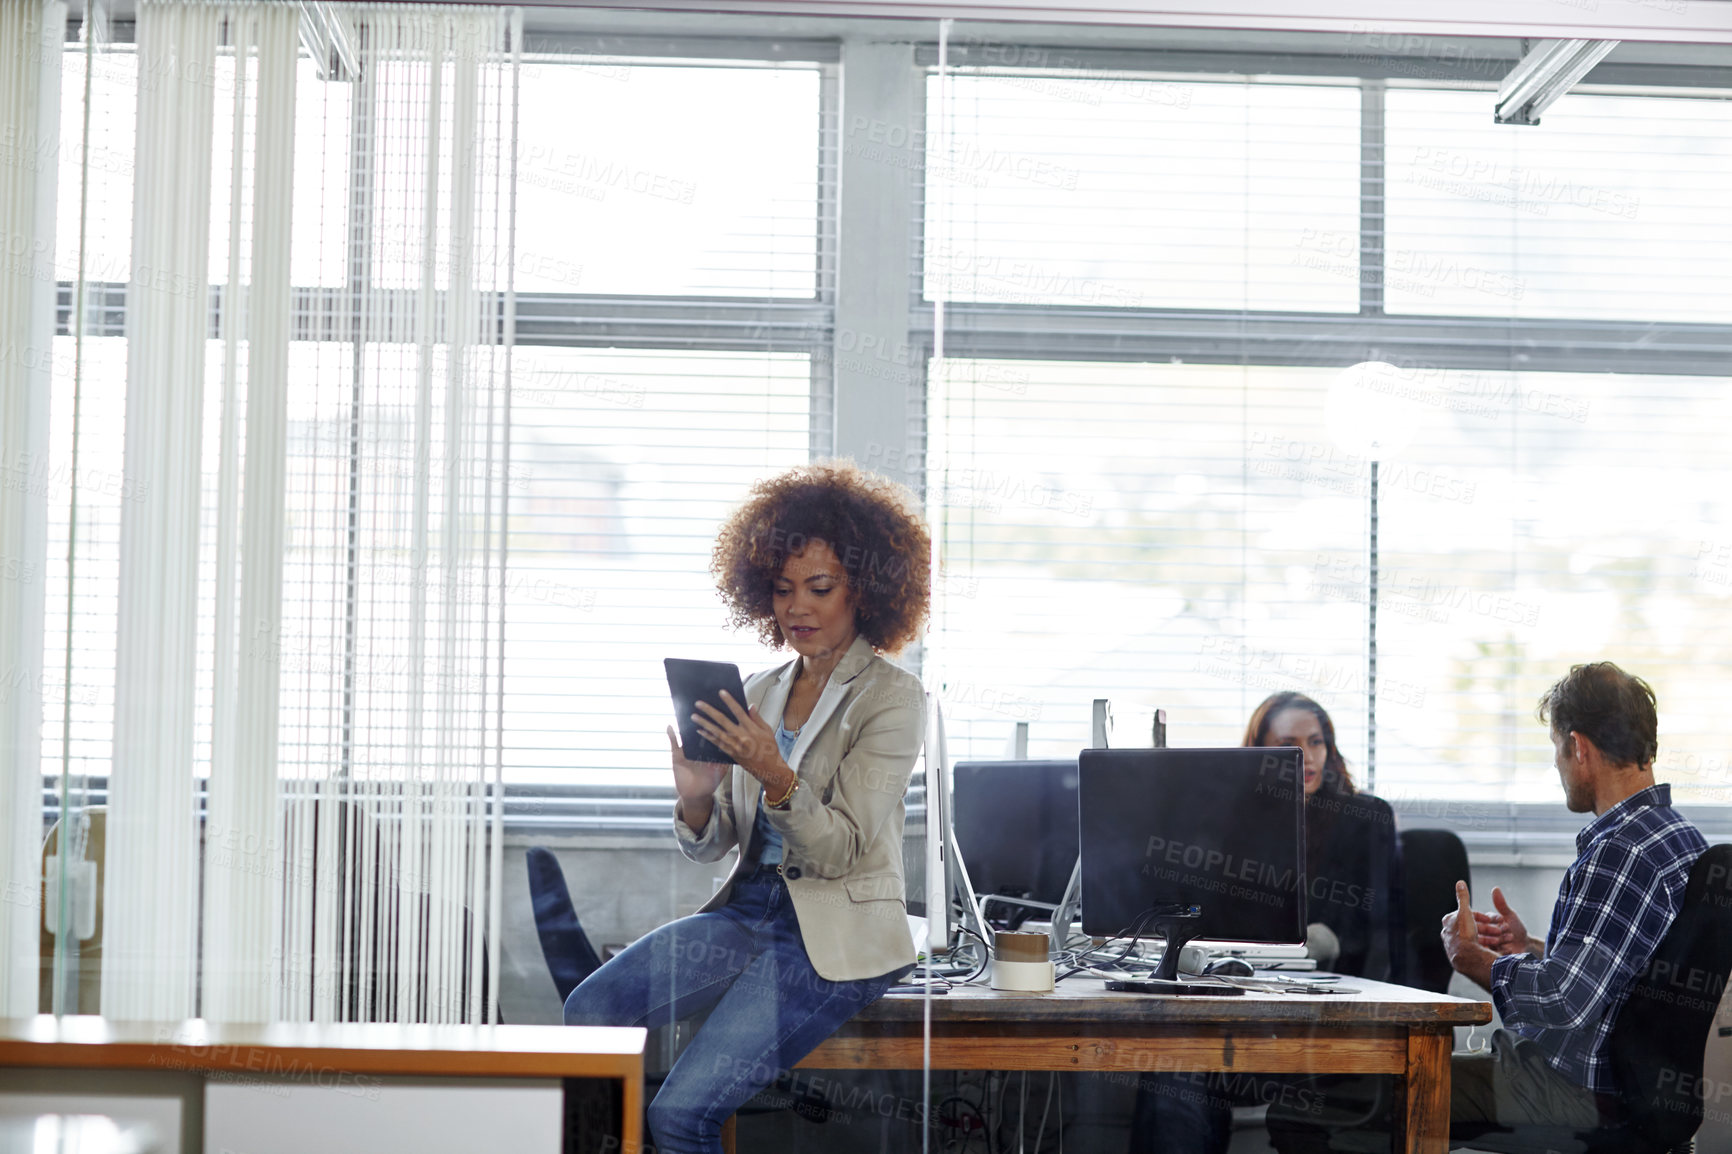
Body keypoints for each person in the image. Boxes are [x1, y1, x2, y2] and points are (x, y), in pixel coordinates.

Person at [561, 462, 931, 1154]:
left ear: (867, 592)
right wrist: (698, 800)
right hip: (746, 912)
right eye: (784, 589)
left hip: (828, 937)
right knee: (592, 1009)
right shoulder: (757, 690)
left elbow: (841, 849)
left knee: (679, 1117)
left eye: (821, 588)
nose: (799, 606)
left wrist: (774, 772)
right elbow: (718, 842)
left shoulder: (891, 699)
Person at [1267, 661, 1708, 1152]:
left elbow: (1562, 1004)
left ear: (1578, 747)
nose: (1559, 767)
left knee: (1302, 1111)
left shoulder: (1616, 852)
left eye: (1557, 749)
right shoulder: (1679, 839)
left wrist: (1473, 959)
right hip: (1633, 1090)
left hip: (1574, 1091)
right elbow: (1620, 976)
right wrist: (1529, 948)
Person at [1133, 691, 1404, 1154]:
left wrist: (1314, 944)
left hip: (1326, 1013)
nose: (1306, 756)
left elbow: (1377, 932)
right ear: (1259, 753)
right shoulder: (1234, 822)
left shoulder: (1366, 817)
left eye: (1316, 742)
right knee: (1173, 1062)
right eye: (1288, 744)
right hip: (1238, 1000)